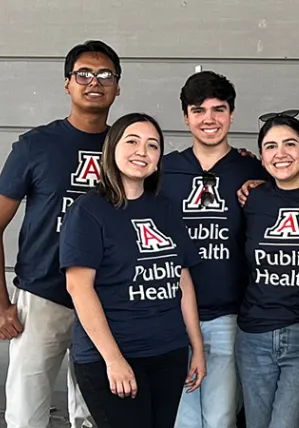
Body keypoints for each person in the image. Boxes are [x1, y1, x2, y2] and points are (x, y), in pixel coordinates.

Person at [0, 39, 120, 428]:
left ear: (118, 87)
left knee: (94, 415)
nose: (95, 81)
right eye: (84, 74)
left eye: (105, 74)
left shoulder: (127, 147)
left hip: (105, 300)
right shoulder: (35, 146)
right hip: (41, 298)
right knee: (26, 415)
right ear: (68, 84)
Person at [61, 113, 206, 428]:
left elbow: (182, 280)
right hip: (112, 357)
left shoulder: (165, 208)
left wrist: (196, 346)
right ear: (112, 148)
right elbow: (79, 289)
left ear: (157, 160)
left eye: (152, 145)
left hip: (168, 352)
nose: (142, 151)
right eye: (132, 141)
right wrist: (114, 360)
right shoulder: (88, 211)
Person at [160, 71, 269, 428]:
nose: (209, 119)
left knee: (221, 417)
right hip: (173, 311)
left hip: (230, 314)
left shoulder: (253, 168)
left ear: (232, 114)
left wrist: (263, 184)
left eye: (219, 109)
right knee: (183, 420)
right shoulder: (165, 170)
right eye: (199, 110)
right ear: (186, 117)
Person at [235, 110, 299, 428]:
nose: (281, 153)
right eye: (270, 146)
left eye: (290, 144)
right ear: (261, 157)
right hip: (253, 335)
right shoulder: (251, 198)